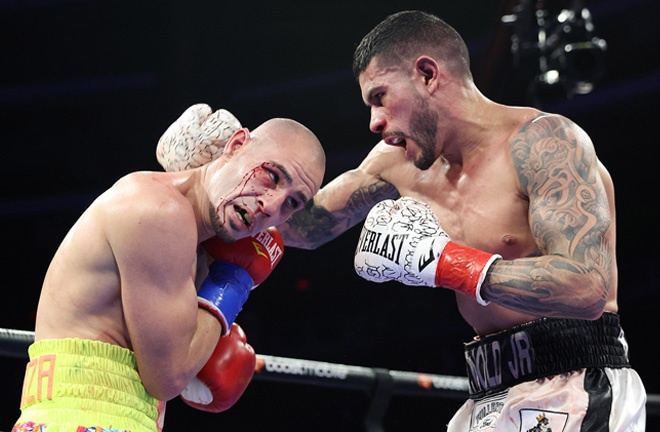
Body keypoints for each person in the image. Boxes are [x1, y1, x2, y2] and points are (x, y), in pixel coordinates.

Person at [155, 10, 646, 432]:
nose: (373, 122)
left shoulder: (544, 143)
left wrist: (445, 263)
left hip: (578, 380)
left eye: (380, 97)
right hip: (489, 389)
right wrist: (216, 170)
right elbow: (302, 226)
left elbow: (587, 287)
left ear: (428, 74)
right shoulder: (398, 164)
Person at [12, 117, 326, 432]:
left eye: (292, 203)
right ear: (235, 145)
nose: (272, 206)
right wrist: (232, 283)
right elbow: (168, 377)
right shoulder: (161, 212)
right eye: (271, 176)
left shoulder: (188, 236)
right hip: (86, 419)